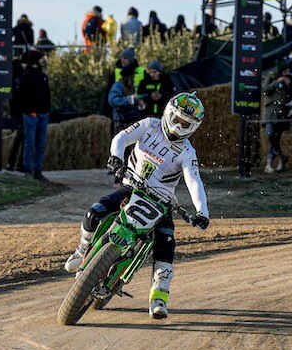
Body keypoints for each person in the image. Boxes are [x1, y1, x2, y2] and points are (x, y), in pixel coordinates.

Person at [62, 93, 210, 320]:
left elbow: (193, 181)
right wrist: (116, 157)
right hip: (131, 185)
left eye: (186, 124)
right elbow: (121, 138)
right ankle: (82, 250)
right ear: (168, 113)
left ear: (193, 127)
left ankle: (159, 297)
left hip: (162, 201)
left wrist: (202, 212)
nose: (179, 126)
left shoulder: (188, 152)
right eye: (177, 119)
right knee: (94, 213)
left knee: (166, 241)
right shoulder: (149, 124)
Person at [15, 49, 51, 181]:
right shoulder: (27, 76)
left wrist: (47, 110)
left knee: (40, 144)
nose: (43, 60)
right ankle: (28, 170)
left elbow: (47, 95)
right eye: (41, 58)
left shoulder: (43, 76)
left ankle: (38, 171)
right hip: (31, 115)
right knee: (29, 143)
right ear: (36, 60)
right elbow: (22, 97)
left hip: (43, 114)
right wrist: (30, 111)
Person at [262, 66, 292, 173]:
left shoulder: (288, 81)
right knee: (270, 136)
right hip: (270, 115)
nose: (287, 73)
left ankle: (269, 164)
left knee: (275, 140)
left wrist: (289, 85)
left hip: (281, 115)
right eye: (285, 71)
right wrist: (277, 82)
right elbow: (265, 90)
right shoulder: (271, 78)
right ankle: (281, 157)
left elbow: (290, 97)